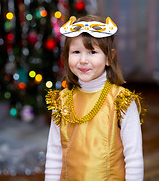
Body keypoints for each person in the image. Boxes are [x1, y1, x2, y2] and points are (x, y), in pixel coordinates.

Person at [45, 15, 144, 181]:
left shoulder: (121, 101)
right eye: (76, 52)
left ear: (109, 57)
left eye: (92, 52)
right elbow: (54, 154)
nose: (83, 60)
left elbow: (133, 158)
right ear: (67, 56)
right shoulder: (61, 101)